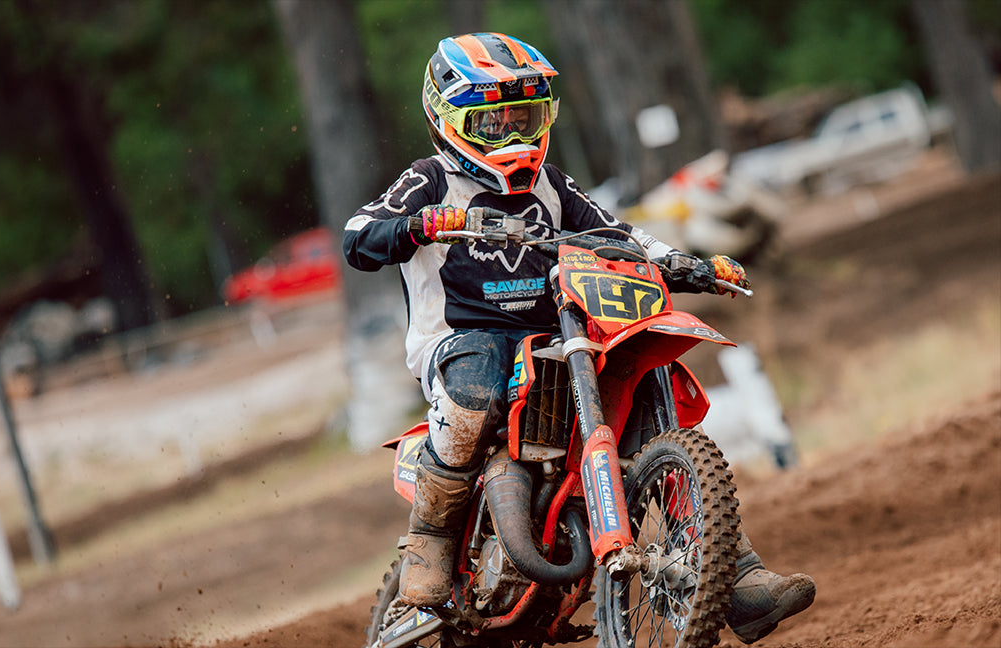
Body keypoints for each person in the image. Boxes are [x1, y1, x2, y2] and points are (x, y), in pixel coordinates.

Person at [343, 32, 814, 644]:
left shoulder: (552, 185)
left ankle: (735, 574)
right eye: (494, 124)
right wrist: (422, 224)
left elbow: (619, 235)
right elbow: (358, 235)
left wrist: (686, 263)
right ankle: (427, 557)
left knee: (645, 368)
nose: (513, 137)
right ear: (448, 120)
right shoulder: (429, 180)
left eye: (525, 119)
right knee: (477, 386)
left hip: (559, 333)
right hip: (461, 338)